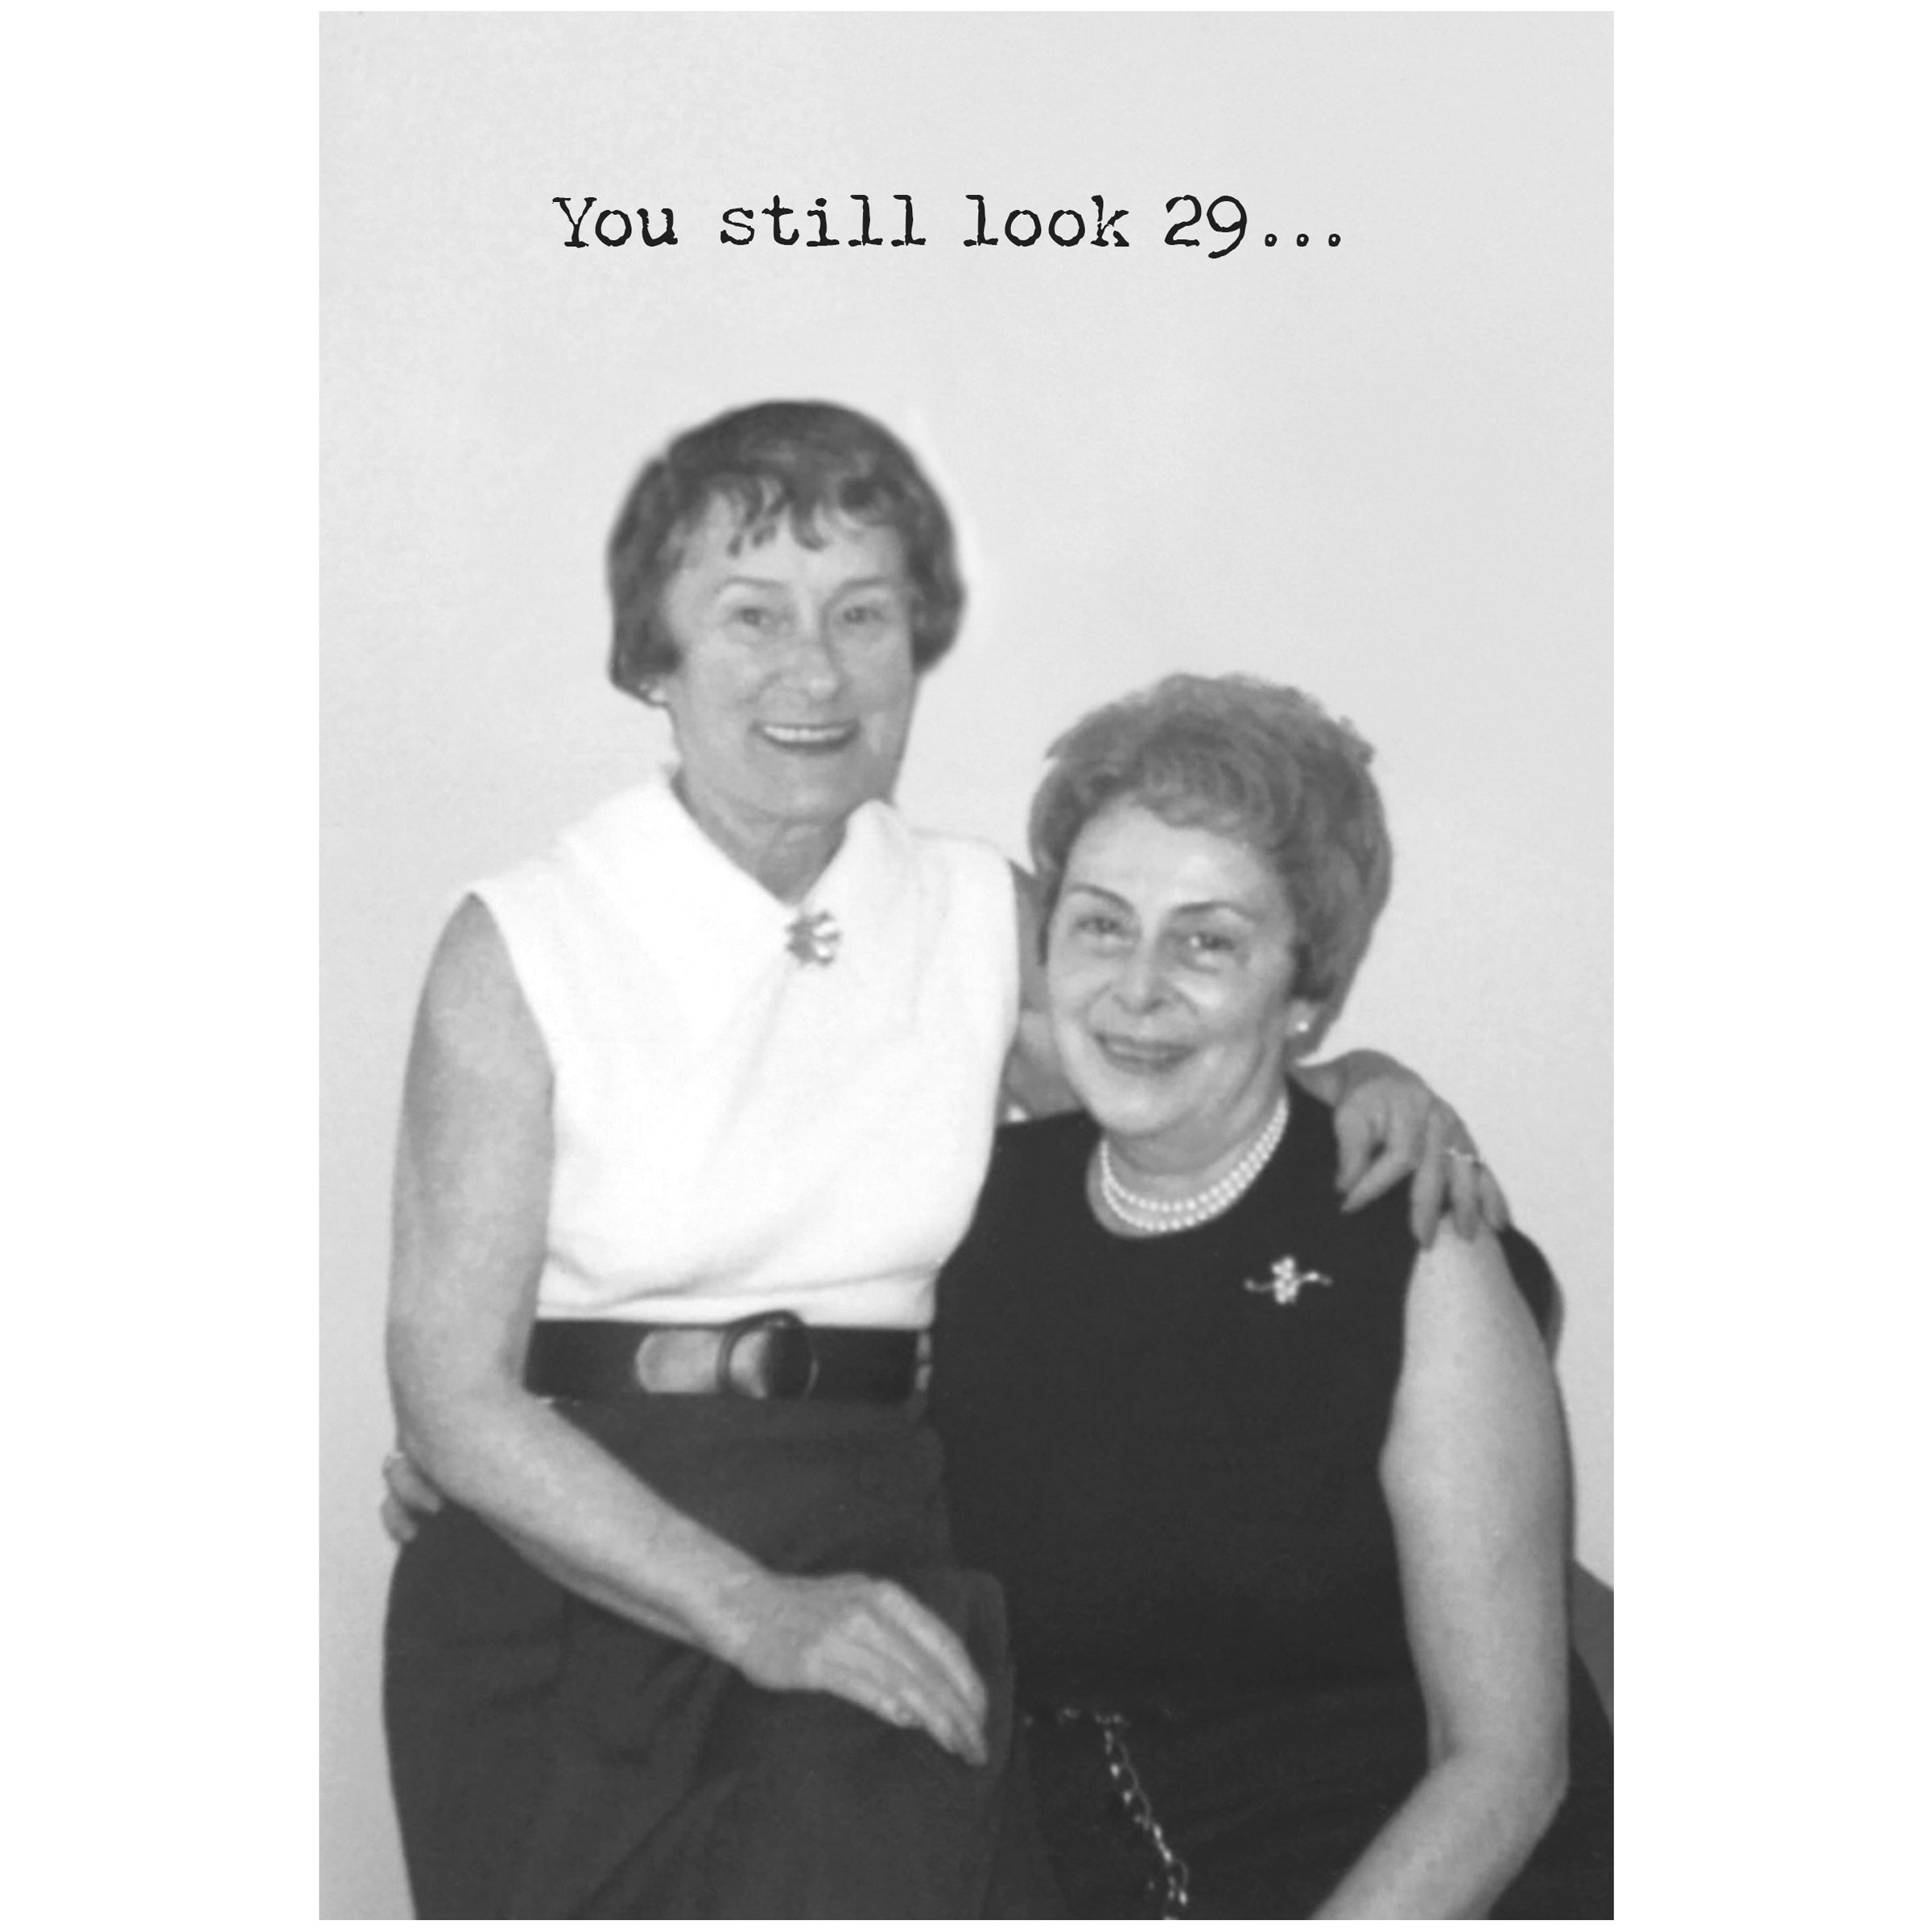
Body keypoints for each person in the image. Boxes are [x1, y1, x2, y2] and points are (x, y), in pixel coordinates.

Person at [379, 402, 1502, 1918]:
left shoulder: (977, 913)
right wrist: (748, 1610)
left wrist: (1369, 1077)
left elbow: (1185, 1034)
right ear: (654, 653)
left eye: (864, 616)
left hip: (874, 1551)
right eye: (752, 615)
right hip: (572, 1571)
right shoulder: (521, 944)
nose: (815, 671)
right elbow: (448, 1394)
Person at [927, 673, 1613, 1918]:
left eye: (1208, 941)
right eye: (1100, 926)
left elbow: (1505, 1768)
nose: (1138, 986)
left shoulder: (1417, 1244)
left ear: (1306, 990)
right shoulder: (972, 1217)